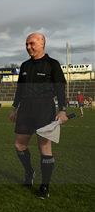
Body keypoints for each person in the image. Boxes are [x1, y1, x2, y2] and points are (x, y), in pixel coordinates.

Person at [8, 32, 68, 199]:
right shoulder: (25, 66)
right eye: (27, 44)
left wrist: (62, 109)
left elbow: (60, 88)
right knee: (19, 145)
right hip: (25, 109)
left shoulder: (52, 64)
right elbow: (20, 89)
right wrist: (14, 108)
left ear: (42, 43)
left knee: (44, 148)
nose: (28, 47)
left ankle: (45, 185)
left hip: (44, 109)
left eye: (32, 43)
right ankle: (29, 172)